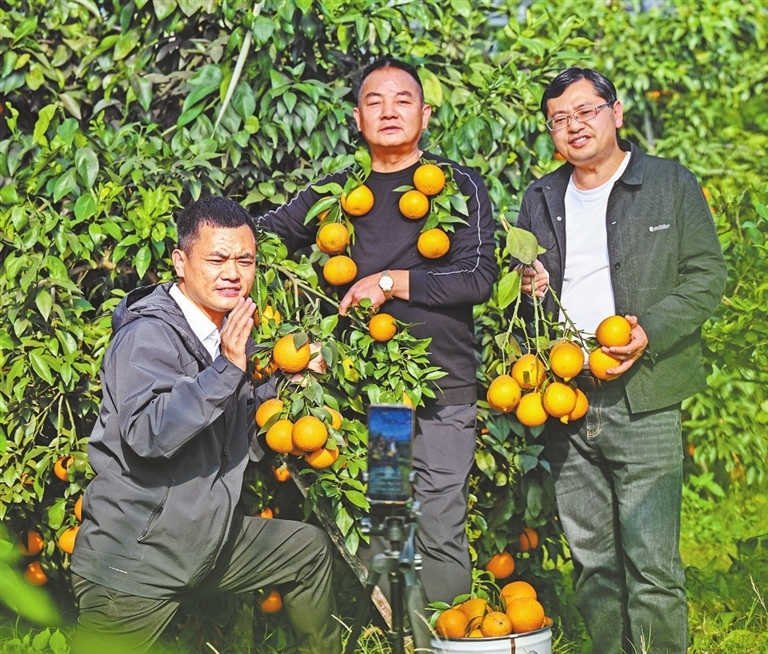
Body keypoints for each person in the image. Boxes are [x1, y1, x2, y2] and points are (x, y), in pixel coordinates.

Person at [255, 57, 498, 604]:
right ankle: (399, 638)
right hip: (375, 392)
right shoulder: (337, 193)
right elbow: (261, 238)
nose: (389, 111)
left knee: (439, 521)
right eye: (374, 101)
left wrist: (389, 282)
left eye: (402, 99)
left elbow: (477, 275)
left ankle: (448, 634)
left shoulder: (457, 185)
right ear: (357, 119)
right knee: (388, 521)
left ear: (426, 114)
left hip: (442, 388)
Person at [70, 196, 341, 654]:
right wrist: (228, 370)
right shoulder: (148, 335)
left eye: (245, 261)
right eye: (216, 259)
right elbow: (149, 434)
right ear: (181, 261)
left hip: (203, 544)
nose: (232, 273)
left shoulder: (219, 334)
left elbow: (233, 442)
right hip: (137, 563)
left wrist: (285, 385)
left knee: (306, 550)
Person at [515, 67, 727, 653]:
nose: (574, 127)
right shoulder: (540, 197)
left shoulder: (668, 183)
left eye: (585, 111)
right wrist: (528, 286)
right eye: (559, 119)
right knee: (594, 565)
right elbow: (535, 291)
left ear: (617, 112)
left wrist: (649, 330)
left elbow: (707, 276)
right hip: (567, 396)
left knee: (652, 564)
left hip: (645, 398)